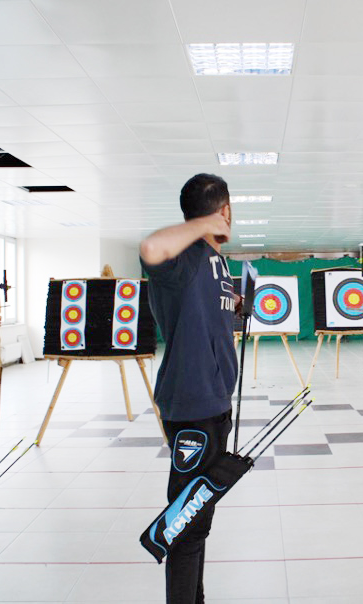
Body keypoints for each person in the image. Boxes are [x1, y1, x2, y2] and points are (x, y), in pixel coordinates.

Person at [139, 173, 239, 604]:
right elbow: (149, 249)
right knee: (186, 520)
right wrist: (206, 224)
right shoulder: (187, 258)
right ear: (225, 211)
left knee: (199, 515)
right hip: (192, 404)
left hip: (214, 403)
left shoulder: (215, 262)